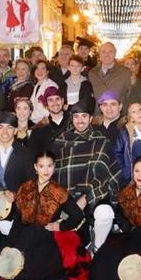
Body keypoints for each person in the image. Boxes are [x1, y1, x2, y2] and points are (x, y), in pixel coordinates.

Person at [0, 152, 91, 280]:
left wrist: (60, 226)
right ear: (35, 167)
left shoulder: (58, 191)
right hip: (23, 230)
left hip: (44, 233)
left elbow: (77, 215)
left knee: (29, 269)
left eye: (49, 166)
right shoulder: (26, 187)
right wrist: (8, 243)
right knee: (1, 253)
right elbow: (18, 218)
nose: (46, 170)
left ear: (54, 166)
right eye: (41, 166)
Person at [50, 102, 121, 252]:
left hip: (93, 196)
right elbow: (53, 173)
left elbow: (104, 176)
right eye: (76, 116)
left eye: (84, 116)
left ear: (91, 119)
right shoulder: (61, 141)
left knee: (104, 212)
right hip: (65, 197)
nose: (80, 120)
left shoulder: (100, 140)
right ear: (72, 119)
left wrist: (85, 198)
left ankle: (98, 249)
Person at [87, 42, 132, 111]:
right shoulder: (92, 73)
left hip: (119, 117)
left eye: (110, 52)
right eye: (104, 52)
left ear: (115, 54)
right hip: (97, 117)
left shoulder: (125, 73)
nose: (107, 55)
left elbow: (130, 96)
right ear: (99, 54)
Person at [31, 87, 71, 153]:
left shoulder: (74, 121)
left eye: (57, 99)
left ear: (63, 101)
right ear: (45, 104)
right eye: (50, 100)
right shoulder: (39, 128)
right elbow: (33, 153)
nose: (55, 103)